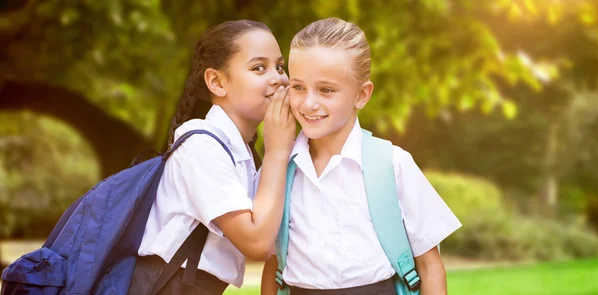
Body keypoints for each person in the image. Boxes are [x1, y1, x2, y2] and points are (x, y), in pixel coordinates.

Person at [261, 17, 461, 295]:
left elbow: (429, 266)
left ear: (362, 95)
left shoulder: (393, 164)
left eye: (326, 90)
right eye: (297, 87)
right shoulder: (280, 169)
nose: (308, 103)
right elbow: (274, 264)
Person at [128, 20, 296, 295]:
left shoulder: (239, 153)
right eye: (258, 68)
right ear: (217, 82)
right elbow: (257, 244)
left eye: (279, 66)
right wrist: (278, 150)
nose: (279, 78)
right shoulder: (201, 147)